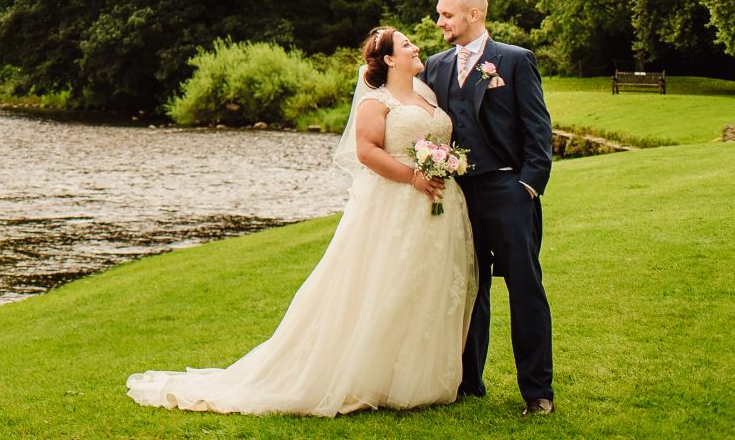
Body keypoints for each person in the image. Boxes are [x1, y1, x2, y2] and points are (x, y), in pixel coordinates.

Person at [127, 27, 475, 415]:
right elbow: (366, 152)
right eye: (407, 44)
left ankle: (415, 376)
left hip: (438, 204)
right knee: (386, 283)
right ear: (390, 60)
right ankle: (367, 376)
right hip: (396, 203)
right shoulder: (376, 103)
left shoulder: (426, 94)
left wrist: (442, 164)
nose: (416, 46)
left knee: (426, 284)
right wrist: (414, 177)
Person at [427, 0, 556, 417]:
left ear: (475, 14)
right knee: (468, 289)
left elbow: (538, 127)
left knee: (525, 289)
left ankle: (537, 393)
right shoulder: (435, 66)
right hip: (459, 196)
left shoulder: (515, 60)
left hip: (508, 191)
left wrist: (529, 185)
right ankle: (468, 381)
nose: (440, 22)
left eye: (447, 15)